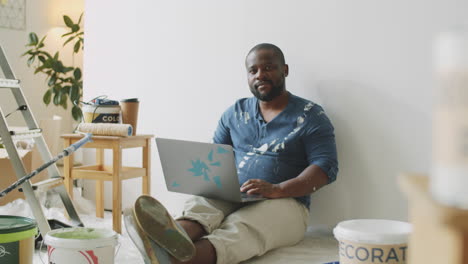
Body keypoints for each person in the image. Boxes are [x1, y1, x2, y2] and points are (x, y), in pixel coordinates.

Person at [143, 43, 338, 264]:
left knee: (242, 227)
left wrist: (277, 189)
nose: (260, 75)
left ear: (285, 70)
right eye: (253, 70)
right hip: (235, 193)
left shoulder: (311, 115)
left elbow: (326, 167)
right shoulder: (235, 112)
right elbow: (214, 158)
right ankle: (167, 239)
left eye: (268, 68)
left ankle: (177, 260)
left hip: (287, 202)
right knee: (202, 205)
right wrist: (202, 178)